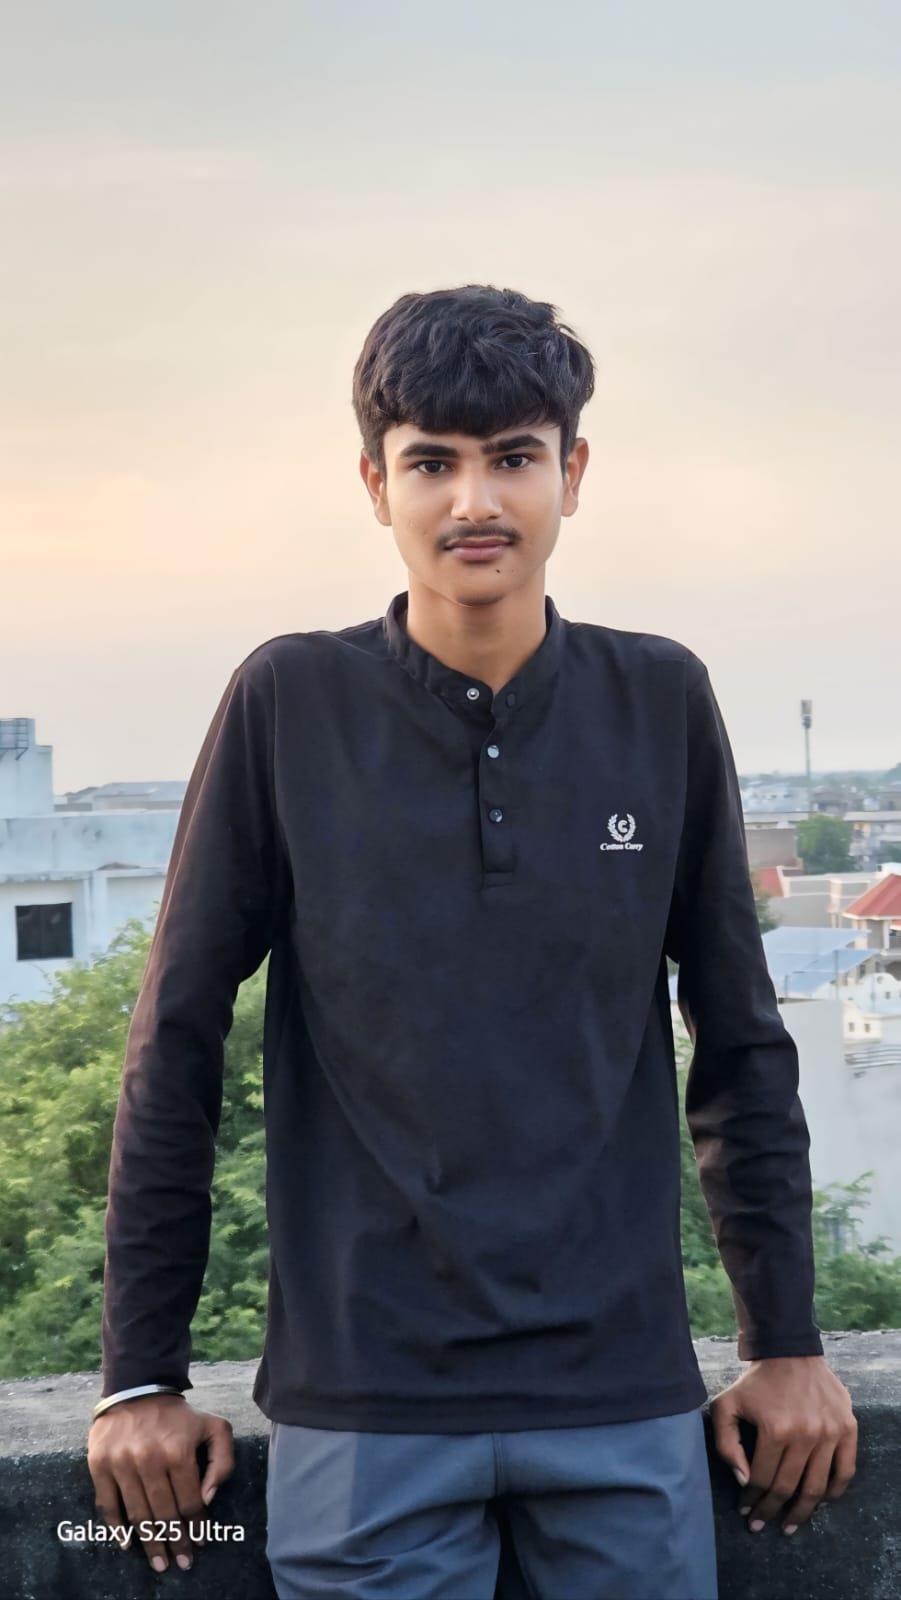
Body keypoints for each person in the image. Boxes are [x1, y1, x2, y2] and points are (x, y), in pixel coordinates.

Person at [87, 284, 857, 1598]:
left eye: (512, 457)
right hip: (363, 1404)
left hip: (621, 1395)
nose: (474, 502)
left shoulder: (658, 698)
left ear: (573, 472)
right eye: (431, 463)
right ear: (374, 483)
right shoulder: (290, 702)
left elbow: (737, 1040)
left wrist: (784, 1341)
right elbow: (176, 1044)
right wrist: (139, 1377)